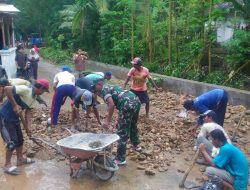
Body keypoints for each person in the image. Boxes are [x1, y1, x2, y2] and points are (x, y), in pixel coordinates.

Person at [0, 79, 49, 175]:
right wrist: (15, 105)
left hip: (15, 119)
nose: (43, 93)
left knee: (20, 140)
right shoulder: (26, 89)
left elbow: (28, 113)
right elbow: (7, 88)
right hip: (4, 118)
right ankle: (7, 164)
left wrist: (28, 128)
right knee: (11, 142)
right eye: (44, 90)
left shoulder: (34, 97)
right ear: (41, 88)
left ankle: (20, 159)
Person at [96, 82, 141, 165]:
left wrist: (107, 121)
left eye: (95, 88)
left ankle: (120, 159)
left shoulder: (104, 91)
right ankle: (137, 145)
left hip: (127, 105)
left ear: (99, 85)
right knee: (132, 124)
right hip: (136, 101)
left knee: (122, 131)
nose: (96, 92)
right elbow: (114, 102)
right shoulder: (110, 86)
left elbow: (111, 105)